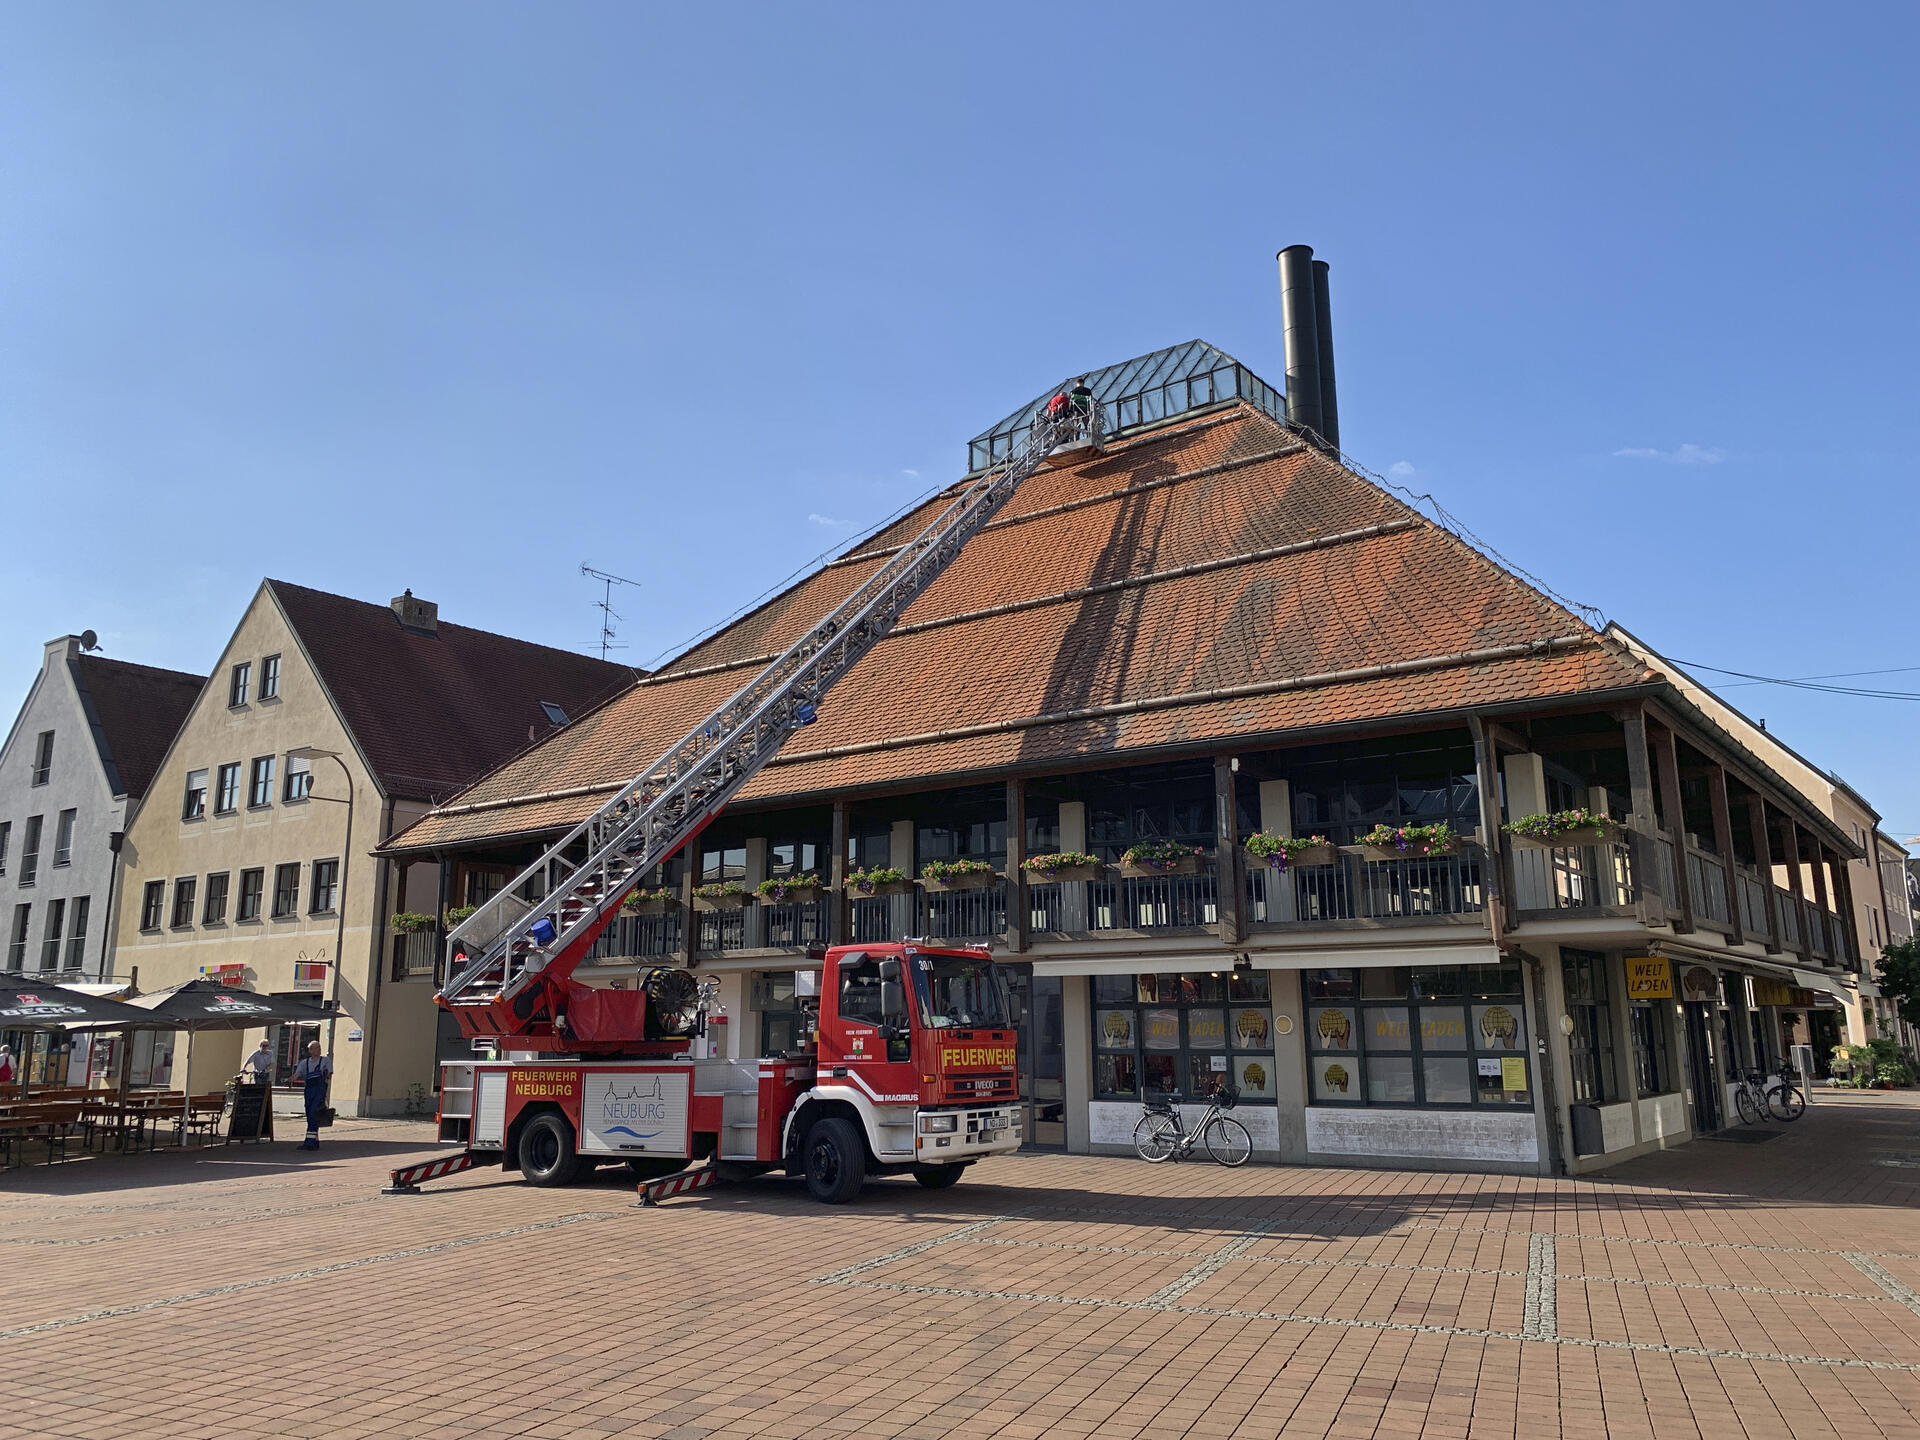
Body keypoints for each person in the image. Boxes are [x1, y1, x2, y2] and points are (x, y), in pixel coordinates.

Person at [291, 1040, 333, 1151]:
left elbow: (329, 1073)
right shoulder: (305, 1063)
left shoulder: (325, 1060)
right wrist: (288, 1080)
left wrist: (326, 1076)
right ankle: (315, 1141)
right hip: (309, 1091)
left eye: (319, 1047)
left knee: (314, 1113)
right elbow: (297, 1074)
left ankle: (309, 1142)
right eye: (316, 1048)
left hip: (319, 1092)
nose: (318, 1050)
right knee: (310, 1115)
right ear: (310, 1050)